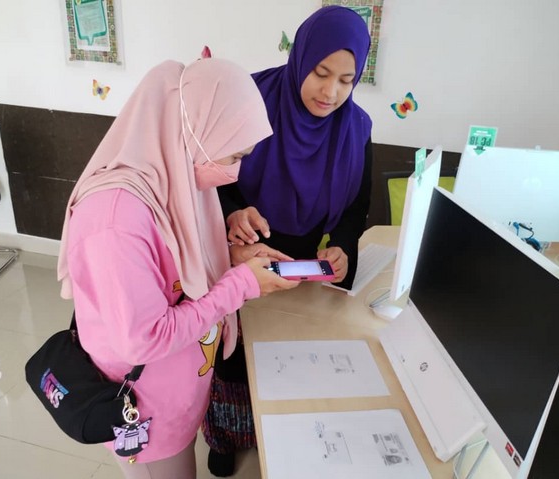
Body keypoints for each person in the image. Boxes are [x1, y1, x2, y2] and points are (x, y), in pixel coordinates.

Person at [56, 58, 299, 479]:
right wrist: (241, 284)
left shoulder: (171, 175)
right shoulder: (114, 220)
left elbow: (172, 259)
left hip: (175, 391)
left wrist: (230, 251)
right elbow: (145, 337)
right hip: (142, 410)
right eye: (234, 154)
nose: (234, 171)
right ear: (198, 129)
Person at [202, 5, 373, 476]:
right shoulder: (252, 99)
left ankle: (278, 432)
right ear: (301, 58)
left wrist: (343, 246)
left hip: (302, 257)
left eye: (346, 80)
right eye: (321, 73)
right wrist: (232, 212)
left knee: (286, 352)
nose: (331, 92)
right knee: (232, 351)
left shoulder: (355, 129)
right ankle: (226, 434)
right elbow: (211, 173)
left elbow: (357, 207)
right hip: (239, 246)